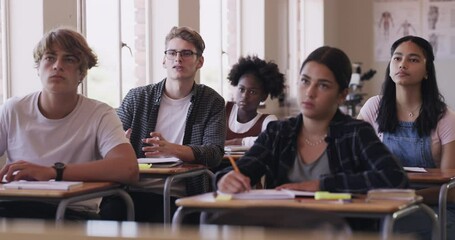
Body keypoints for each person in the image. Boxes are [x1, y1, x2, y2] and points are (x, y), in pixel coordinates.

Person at [217, 46, 408, 198]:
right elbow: (241, 171)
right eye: (305, 81)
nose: (310, 92)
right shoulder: (279, 132)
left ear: (342, 95)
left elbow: (395, 177)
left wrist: (322, 185)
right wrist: (226, 179)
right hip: (281, 229)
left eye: (323, 85)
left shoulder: (356, 133)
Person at [0, 27, 139, 219]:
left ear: (81, 73)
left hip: (72, 212)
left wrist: (52, 172)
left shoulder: (100, 114)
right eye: (50, 58)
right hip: (13, 207)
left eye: (69, 59)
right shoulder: (13, 108)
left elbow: (128, 168)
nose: (57, 65)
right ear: (38, 68)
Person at [99, 26, 226, 222]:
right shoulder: (138, 97)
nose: (178, 59)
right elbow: (106, 141)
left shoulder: (211, 101)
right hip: (131, 189)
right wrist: (118, 145)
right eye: (172, 53)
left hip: (182, 194)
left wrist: (173, 149)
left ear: (199, 62)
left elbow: (214, 153)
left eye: (186, 53)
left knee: (164, 218)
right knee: (109, 212)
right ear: (164, 59)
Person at [358, 35, 455, 239]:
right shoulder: (373, 107)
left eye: (413, 59)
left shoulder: (445, 117)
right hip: (382, 204)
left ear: (427, 71)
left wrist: (407, 197)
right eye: (397, 58)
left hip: (435, 207)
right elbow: (355, 163)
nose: (403, 64)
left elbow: (451, 190)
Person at [225, 55, 285, 147]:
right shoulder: (223, 109)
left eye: (252, 92)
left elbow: (275, 139)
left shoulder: (267, 120)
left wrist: (237, 142)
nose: (245, 96)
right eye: (241, 89)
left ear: (263, 97)